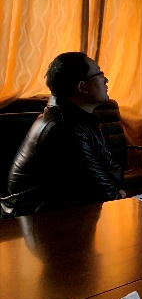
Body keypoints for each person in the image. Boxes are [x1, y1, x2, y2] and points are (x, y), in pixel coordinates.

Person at [1, 52, 125, 217]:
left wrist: (113, 187)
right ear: (82, 87)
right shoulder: (64, 128)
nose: (106, 80)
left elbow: (114, 170)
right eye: (99, 74)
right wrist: (117, 191)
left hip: (61, 216)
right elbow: (103, 192)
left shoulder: (81, 119)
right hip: (34, 222)